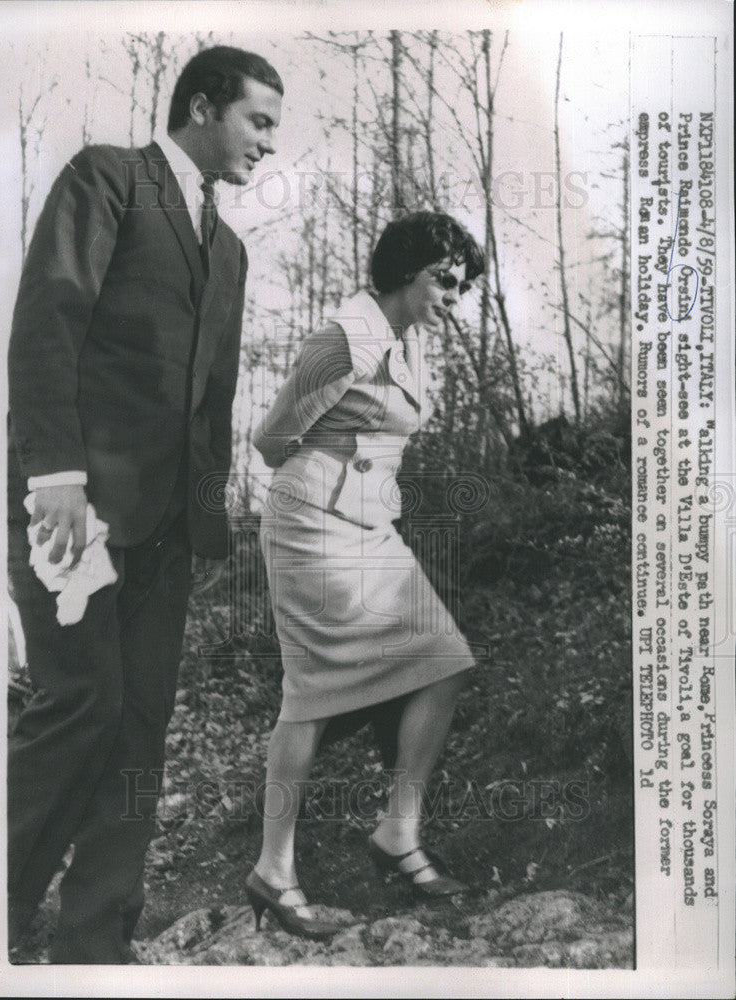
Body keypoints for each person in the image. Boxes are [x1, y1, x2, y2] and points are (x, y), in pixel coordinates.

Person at [7, 45, 283, 963]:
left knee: (139, 728)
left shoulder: (230, 252)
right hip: (75, 510)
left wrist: (211, 521)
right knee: (80, 705)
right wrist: (56, 477)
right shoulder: (107, 180)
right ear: (203, 109)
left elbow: (213, 405)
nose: (268, 145)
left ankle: (92, 947)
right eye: (258, 123)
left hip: (166, 534)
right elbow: (50, 316)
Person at [248, 212, 485, 938]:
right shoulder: (343, 336)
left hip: (370, 529)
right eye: (443, 279)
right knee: (312, 694)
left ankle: (396, 832)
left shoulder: (407, 345)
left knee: (442, 661)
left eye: (460, 284)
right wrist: (334, 463)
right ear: (404, 270)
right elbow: (269, 439)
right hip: (312, 527)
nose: (452, 295)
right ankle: (273, 869)